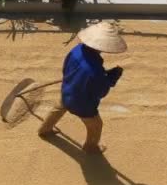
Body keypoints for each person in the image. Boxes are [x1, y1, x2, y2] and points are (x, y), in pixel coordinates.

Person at [38, 22, 128, 154]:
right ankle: (91, 147)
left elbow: (66, 69)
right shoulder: (95, 70)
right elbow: (101, 91)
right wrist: (112, 77)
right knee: (96, 125)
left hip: (67, 90)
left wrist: (101, 75)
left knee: (58, 109)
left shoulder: (76, 50)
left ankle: (44, 130)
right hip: (82, 104)